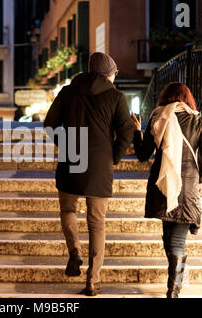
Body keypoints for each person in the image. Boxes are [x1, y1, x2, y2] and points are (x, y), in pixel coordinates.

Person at [44, 52, 133, 296]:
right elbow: (126, 131)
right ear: (108, 74)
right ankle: (92, 280)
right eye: (114, 73)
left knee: (67, 210)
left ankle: (74, 253)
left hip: (72, 160)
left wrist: (68, 147)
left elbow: (49, 125)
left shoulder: (67, 92)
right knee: (97, 223)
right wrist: (113, 156)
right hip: (99, 166)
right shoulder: (116, 97)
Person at [131, 82, 202, 298]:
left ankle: (174, 287)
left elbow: (143, 155)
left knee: (171, 240)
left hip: (163, 186)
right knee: (173, 241)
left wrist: (136, 132)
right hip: (187, 189)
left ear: (165, 98)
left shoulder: (158, 117)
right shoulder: (198, 120)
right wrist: (200, 178)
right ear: (188, 99)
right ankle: (175, 285)